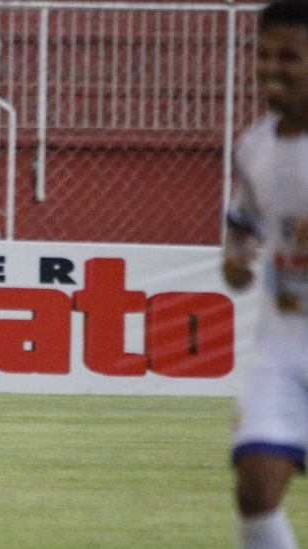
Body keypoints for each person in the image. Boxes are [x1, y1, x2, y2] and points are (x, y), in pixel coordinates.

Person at [222, 1, 308, 546]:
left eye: (291, 56)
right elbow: (245, 219)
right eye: (264, 54)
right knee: (255, 486)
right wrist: (236, 254)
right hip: (284, 348)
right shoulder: (255, 146)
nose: (271, 68)